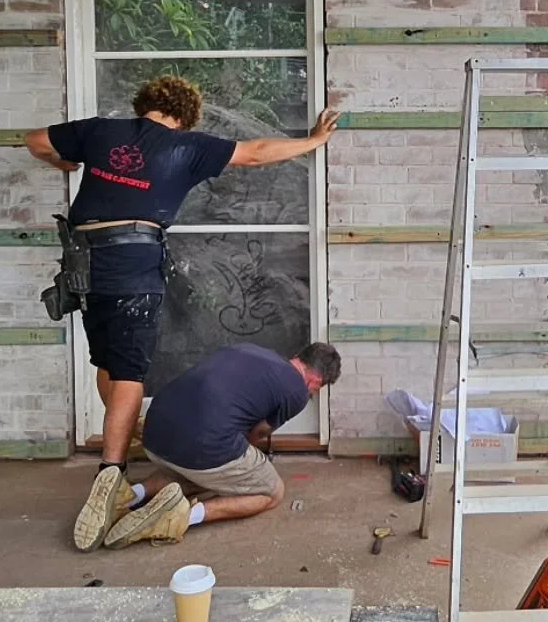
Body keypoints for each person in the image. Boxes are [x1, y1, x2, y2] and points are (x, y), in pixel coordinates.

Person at [24, 75, 339, 552]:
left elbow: (34, 141)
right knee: (130, 368)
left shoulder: (99, 132)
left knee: (106, 362)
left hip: (84, 262)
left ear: (144, 105)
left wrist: (64, 160)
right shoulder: (186, 146)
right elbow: (254, 152)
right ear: (185, 115)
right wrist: (313, 141)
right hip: (132, 258)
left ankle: (125, 453)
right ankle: (111, 474)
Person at [101, 340, 342, 548]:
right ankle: (180, 516)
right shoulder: (297, 391)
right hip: (201, 444)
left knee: (204, 471)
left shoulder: (250, 351)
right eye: (317, 389)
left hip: (154, 434)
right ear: (316, 379)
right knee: (271, 491)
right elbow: (257, 434)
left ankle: (130, 496)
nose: (313, 393)